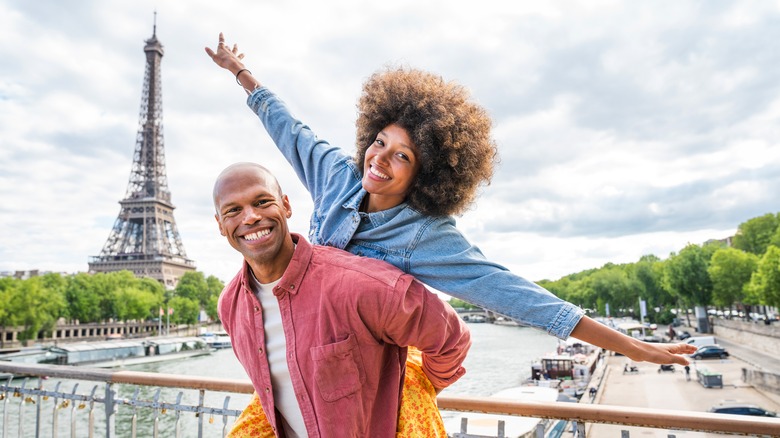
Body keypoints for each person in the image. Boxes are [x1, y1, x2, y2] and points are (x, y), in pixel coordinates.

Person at [205, 33, 697, 435]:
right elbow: (289, 128)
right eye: (380, 142)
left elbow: (517, 296)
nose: (380, 159)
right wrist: (240, 73)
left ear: (427, 174)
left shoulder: (426, 235)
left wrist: (629, 346)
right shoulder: (337, 175)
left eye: (403, 156)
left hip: (373, 370)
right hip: (315, 354)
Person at [213, 162, 471, 437]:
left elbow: (451, 338)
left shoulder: (359, 284)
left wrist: (412, 390)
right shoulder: (231, 305)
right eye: (233, 210)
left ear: (286, 206)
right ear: (220, 224)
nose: (250, 217)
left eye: (262, 202)